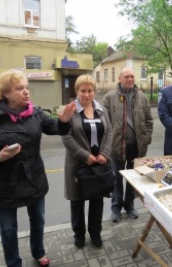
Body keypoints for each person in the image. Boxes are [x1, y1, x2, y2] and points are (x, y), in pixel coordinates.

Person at [0, 70, 76, 267]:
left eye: (27, 87)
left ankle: (38, 252)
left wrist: (63, 120)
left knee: (38, 220)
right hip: (5, 180)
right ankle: (13, 263)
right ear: (5, 93)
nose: (26, 92)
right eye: (19, 88)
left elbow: (54, 128)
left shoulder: (35, 113)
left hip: (33, 177)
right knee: (9, 228)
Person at [61, 74, 112, 248]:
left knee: (97, 200)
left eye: (90, 91)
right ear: (77, 92)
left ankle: (95, 233)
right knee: (77, 202)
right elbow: (66, 137)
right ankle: (79, 235)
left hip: (99, 164)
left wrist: (105, 153)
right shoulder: (70, 110)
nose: (87, 94)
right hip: (78, 164)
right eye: (83, 91)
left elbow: (109, 133)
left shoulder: (101, 109)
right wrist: (85, 155)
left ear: (94, 92)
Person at [102, 66, 153, 222]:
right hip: (116, 147)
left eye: (132, 76)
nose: (130, 79)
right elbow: (103, 123)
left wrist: (146, 139)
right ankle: (116, 207)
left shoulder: (142, 97)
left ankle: (130, 206)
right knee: (116, 178)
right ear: (120, 79)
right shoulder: (109, 98)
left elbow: (149, 120)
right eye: (126, 77)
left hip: (136, 148)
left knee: (133, 179)